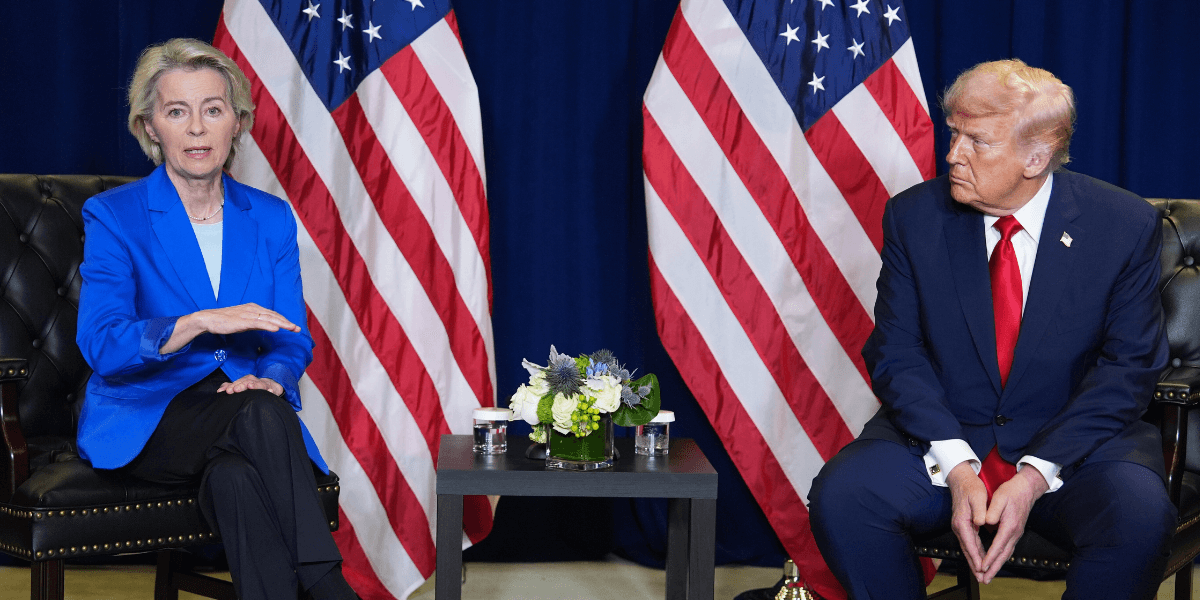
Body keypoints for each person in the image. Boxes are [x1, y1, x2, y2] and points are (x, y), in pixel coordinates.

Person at [808, 59, 1175, 600]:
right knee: (846, 496)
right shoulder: (914, 217)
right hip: (941, 440)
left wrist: (1034, 475)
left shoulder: (1122, 225)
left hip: (1075, 450)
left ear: (1036, 156)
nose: (953, 154)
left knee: (1138, 516)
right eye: (954, 133)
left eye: (977, 141)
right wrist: (958, 466)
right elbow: (895, 351)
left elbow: (1130, 367)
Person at [75, 38, 358, 600]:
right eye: (177, 111)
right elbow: (103, 344)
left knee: (237, 480)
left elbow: (290, 338)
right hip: (150, 416)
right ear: (151, 127)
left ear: (238, 123)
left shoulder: (271, 218)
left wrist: (272, 377)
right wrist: (198, 322)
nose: (197, 128)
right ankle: (329, 585)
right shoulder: (114, 215)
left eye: (213, 109)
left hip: (244, 413)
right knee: (259, 416)